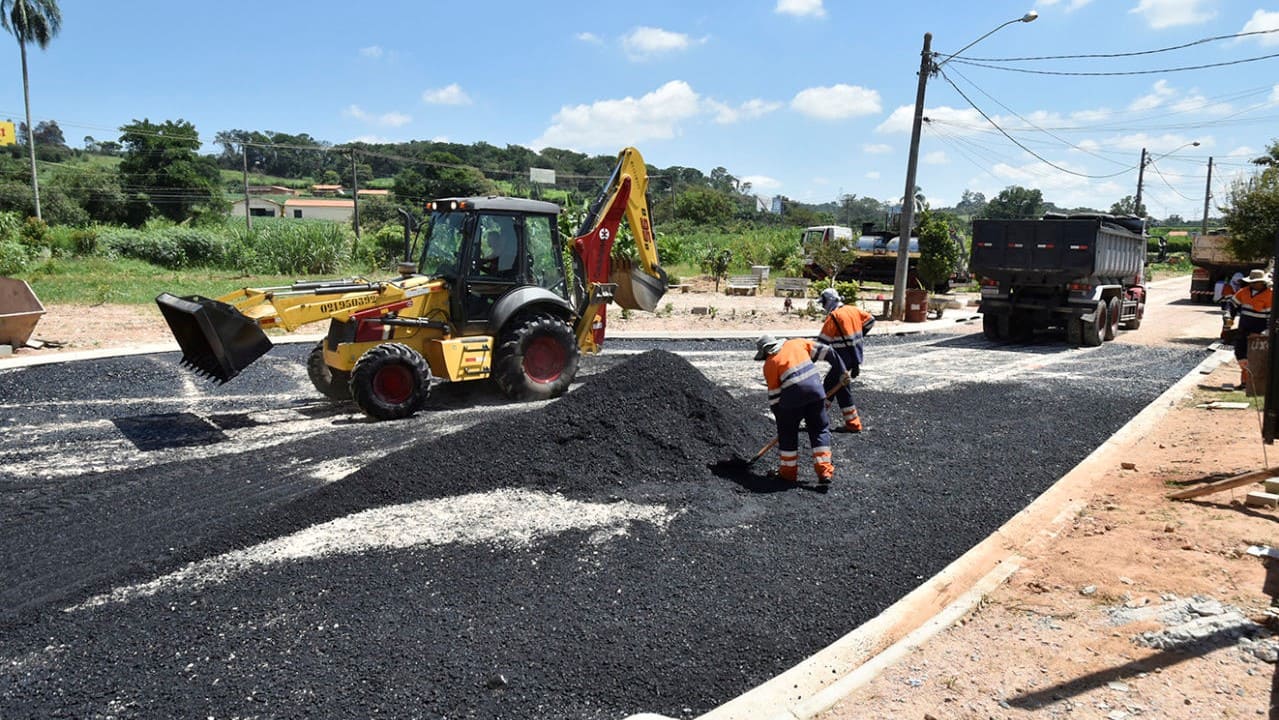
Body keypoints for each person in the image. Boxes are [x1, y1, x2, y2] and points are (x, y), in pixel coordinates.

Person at [755, 334, 850, 484]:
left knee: (788, 434)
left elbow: (775, 397)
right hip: (816, 394)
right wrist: (843, 371)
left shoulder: (770, 364)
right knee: (819, 429)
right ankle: (824, 471)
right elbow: (829, 352)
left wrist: (781, 421)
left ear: (765, 352)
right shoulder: (797, 344)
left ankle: (788, 473)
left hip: (791, 402)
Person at [816, 287, 875, 432]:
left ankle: (816, 419)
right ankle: (852, 423)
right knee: (841, 389)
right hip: (853, 357)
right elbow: (870, 321)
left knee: (830, 385)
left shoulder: (834, 317)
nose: (823, 306)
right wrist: (858, 337)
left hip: (841, 359)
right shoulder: (853, 310)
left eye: (823, 302)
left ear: (828, 301)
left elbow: (821, 343)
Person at [1223, 268, 1272, 391]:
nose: (1253, 284)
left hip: (1260, 333)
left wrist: (1266, 332)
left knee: (1256, 359)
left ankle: (1253, 386)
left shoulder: (1270, 295)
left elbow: (1273, 317)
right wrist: (1228, 316)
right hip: (1244, 329)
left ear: (1263, 282)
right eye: (1252, 282)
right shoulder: (1243, 292)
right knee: (1241, 354)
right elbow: (1231, 305)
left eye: (1256, 282)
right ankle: (1245, 383)